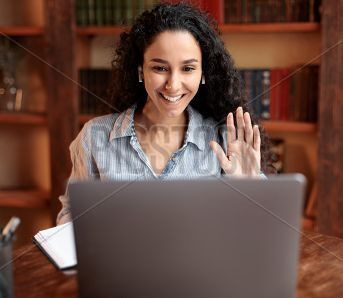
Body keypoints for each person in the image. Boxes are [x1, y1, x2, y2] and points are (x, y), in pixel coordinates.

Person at [57, 3, 273, 225]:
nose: (173, 85)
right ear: (141, 70)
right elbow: (71, 214)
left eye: (188, 69)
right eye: (160, 68)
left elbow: (264, 228)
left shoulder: (224, 139)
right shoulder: (95, 136)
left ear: (203, 73)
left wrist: (250, 187)